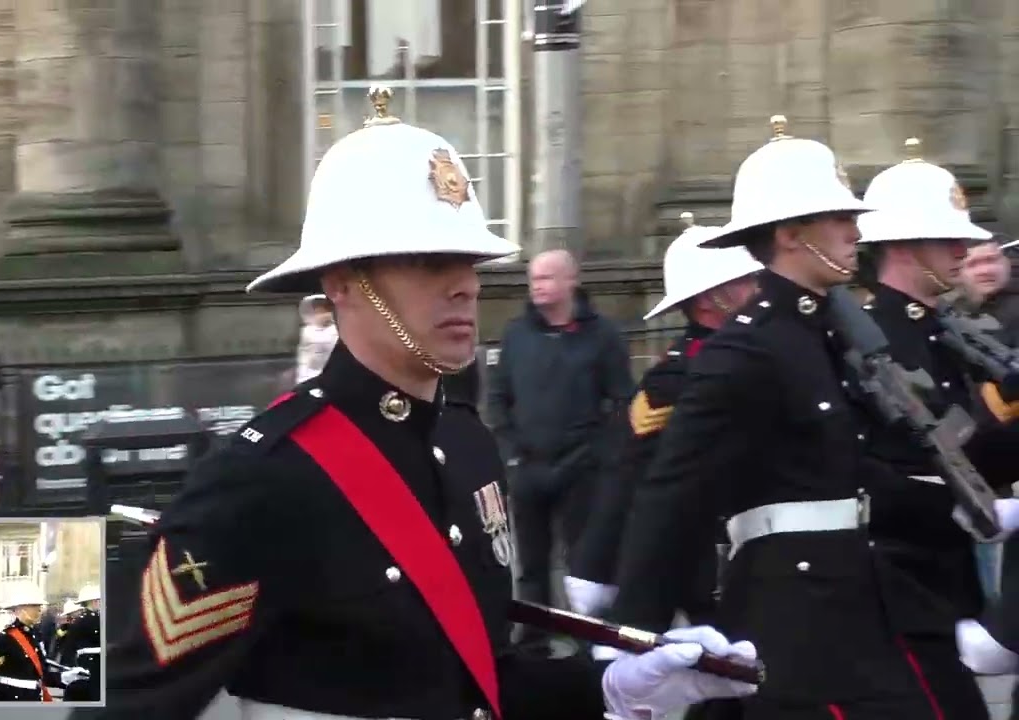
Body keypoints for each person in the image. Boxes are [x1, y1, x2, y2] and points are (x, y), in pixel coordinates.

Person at [96, 86, 758, 720]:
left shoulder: (467, 446)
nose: (465, 285)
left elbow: (475, 684)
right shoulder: (262, 475)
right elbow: (136, 704)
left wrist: (610, 686)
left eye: (467, 260)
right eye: (426, 261)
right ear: (342, 283)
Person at [607, 116, 946, 719]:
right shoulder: (747, 348)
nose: (855, 231)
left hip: (858, 596)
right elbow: (673, 494)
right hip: (793, 614)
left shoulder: (826, 333)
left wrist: (960, 509)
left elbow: (849, 469)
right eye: (838, 218)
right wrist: (631, 638)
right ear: (791, 234)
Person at [855, 137, 1019, 719]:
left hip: (944, 579)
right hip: (893, 581)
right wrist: (967, 507)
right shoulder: (868, 338)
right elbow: (871, 467)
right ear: (903, 246)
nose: (963, 250)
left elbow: (970, 450)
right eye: (946, 239)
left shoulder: (941, 331)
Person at [565, 212, 762, 622]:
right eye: (744, 281)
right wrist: (598, 564)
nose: (758, 290)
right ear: (708, 299)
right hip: (707, 557)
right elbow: (630, 471)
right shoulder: (676, 376)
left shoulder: (754, 353)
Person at [488, 247, 635, 626]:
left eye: (546, 277)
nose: (537, 285)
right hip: (528, 466)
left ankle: (590, 639)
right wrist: (510, 452)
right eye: (533, 278)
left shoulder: (602, 335)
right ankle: (534, 639)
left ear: (571, 280)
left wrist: (603, 453)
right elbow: (498, 396)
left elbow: (623, 400)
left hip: (582, 467)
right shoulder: (517, 334)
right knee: (531, 564)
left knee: (584, 564)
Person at [0, 585, 87, 702]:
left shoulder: (35, 635)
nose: (39, 610)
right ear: (21, 609)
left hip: (33, 698)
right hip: (10, 700)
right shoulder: (5, 638)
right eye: (34, 606)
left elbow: (40, 674)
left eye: (39, 606)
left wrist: (65, 677)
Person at [60, 583, 101, 702]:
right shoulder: (82, 621)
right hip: (88, 664)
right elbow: (69, 646)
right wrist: (69, 667)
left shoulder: (91, 619)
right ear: (94, 601)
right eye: (99, 600)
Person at [296, 293, 338, 384]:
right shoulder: (308, 331)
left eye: (325, 310)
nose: (322, 314)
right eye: (318, 311)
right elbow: (305, 357)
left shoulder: (336, 329)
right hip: (310, 374)